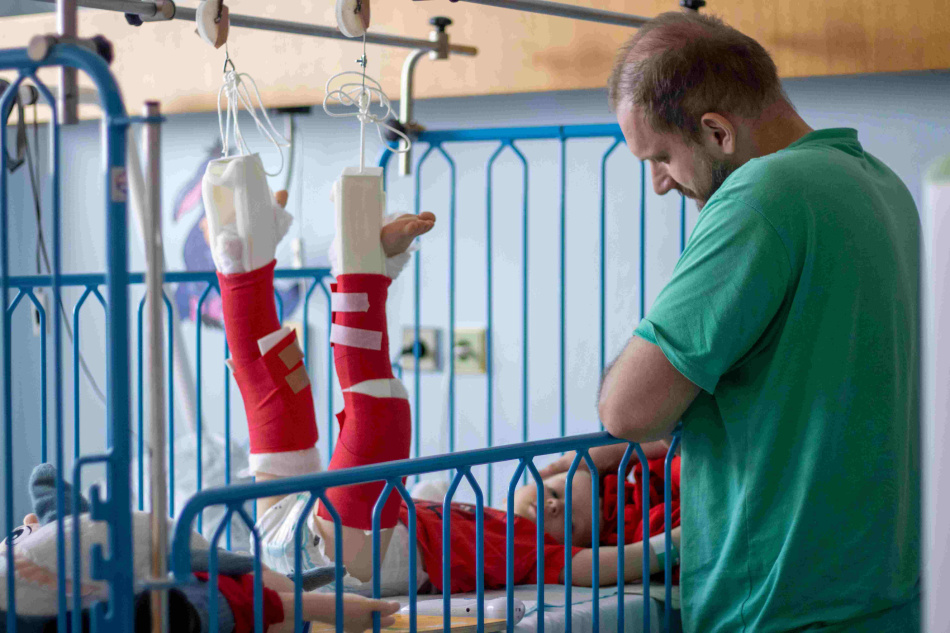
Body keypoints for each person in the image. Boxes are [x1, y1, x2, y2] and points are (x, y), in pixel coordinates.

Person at [204, 175, 681, 599]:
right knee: (282, 395)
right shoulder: (466, 504)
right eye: (555, 489)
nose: (551, 505)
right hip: (312, 534)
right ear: (547, 470)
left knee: (361, 411)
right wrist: (608, 454)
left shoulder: (529, 551)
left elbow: (608, 565)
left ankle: (350, 273)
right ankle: (244, 257)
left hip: (337, 563)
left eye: (568, 521)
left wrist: (681, 542)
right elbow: (576, 465)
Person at [597, 10, 920, 632]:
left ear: (717, 131)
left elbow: (627, 411)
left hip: (779, 607)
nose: (660, 184)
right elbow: (809, 391)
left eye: (661, 157)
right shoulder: (880, 184)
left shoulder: (761, 194)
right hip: (886, 595)